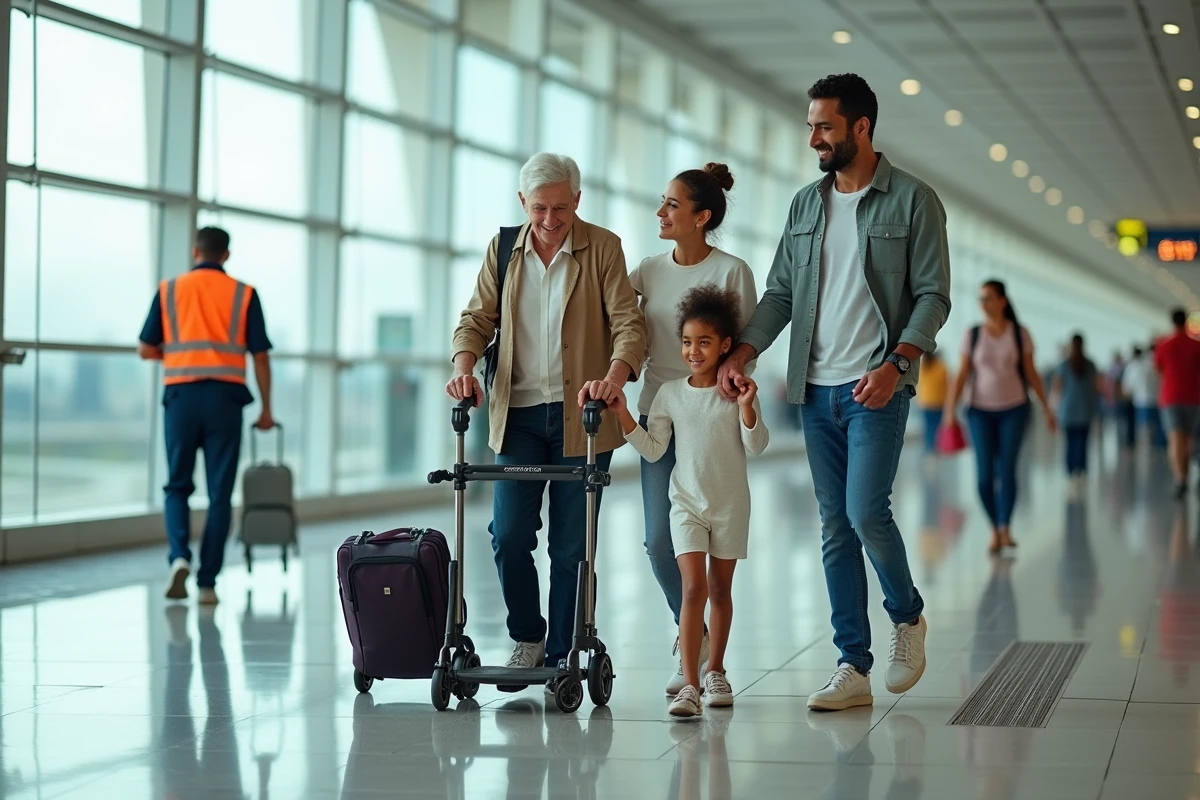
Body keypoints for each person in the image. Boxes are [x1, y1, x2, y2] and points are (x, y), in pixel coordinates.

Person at [717, 73, 951, 712]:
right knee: (834, 527)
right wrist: (743, 351)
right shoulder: (805, 205)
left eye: (825, 126)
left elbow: (933, 295)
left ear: (861, 128)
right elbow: (780, 294)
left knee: (866, 511)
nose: (814, 138)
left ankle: (907, 615)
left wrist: (898, 363)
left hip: (878, 385)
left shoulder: (914, 200)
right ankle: (853, 665)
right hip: (815, 392)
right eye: (811, 126)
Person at [447, 152, 647, 691]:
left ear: (577, 199)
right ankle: (527, 637)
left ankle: (562, 653)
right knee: (509, 533)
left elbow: (629, 324)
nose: (551, 219)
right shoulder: (503, 249)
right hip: (517, 415)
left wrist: (613, 378)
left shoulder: (603, 247)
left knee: (570, 545)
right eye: (539, 208)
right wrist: (463, 369)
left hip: (583, 416)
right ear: (523, 202)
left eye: (561, 207)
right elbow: (475, 319)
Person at [627, 162, 758, 696]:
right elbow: (618, 320)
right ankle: (694, 637)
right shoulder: (647, 271)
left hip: (710, 416)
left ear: (701, 217)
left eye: (672, 205)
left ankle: (707, 657)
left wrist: (735, 390)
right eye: (663, 202)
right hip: (659, 409)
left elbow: (745, 347)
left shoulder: (733, 272)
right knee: (659, 540)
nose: (660, 212)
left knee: (712, 547)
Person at [611, 284, 768, 717]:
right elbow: (654, 450)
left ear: (725, 346)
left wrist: (748, 406)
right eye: (686, 342)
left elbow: (756, 446)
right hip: (686, 506)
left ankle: (716, 671)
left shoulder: (735, 391)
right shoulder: (670, 394)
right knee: (693, 588)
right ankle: (691, 685)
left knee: (720, 590)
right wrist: (624, 414)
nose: (693, 351)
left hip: (730, 506)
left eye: (704, 342)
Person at [138, 226, 275, 605]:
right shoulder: (244, 294)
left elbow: (145, 349)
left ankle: (179, 557)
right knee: (219, 494)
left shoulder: (169, 290)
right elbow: (261, 357)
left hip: (181, 396)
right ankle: (207, 583)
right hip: (225, 400)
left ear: (195, 251)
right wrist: (266, 409)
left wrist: (178, 354)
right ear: (225, 254)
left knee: (177, 485)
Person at [943, 280, 1054, 553]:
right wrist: (950, 410)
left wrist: (1046, 407)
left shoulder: (1019, 333)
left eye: (988, 298)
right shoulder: (972, 334)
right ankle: (994, 527)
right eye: (980, 298)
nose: (983, 303)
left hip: (1015, 409)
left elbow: (1031, 372)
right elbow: (962, 374)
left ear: (1002, 301)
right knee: (984, 477)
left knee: (1007, 471)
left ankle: (1004, 528)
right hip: (979, 412)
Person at [1155, 308, 1200, 499]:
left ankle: (1180, 478)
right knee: (1189, 439)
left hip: (1171, 397)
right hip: (1194, 398)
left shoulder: (1164, 345)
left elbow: (1158, 369)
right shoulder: (1196, 345)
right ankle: (1187, 474)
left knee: (1175, 439)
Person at [1052, 333, 1100, 492]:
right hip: (1085, 410)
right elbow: (1096, 387)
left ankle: (1070, 473)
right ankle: (1080, 472)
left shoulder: (1064, 365)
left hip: (1068, 410)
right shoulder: (1090, 365)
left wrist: (1053, 408)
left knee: (1070, 444)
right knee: (1082, 443)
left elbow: (1057, 388)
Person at [1122, 345, 1165, 449]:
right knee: (1158, 430)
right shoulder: (1155, 364)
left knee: (1143, 428)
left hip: (1141, 402)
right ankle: (1158, 448)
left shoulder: (1135, 366)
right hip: (1157, 400)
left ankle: (1146, 447)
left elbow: (1128, 387)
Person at [916, 351, 949, 455]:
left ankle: (929, 449)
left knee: (928, 427)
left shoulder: (923, 367)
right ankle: (936, 448)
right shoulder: (941, 367)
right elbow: (946, 385)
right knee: (937, 427)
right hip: (939, 403)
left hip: (926, 403)